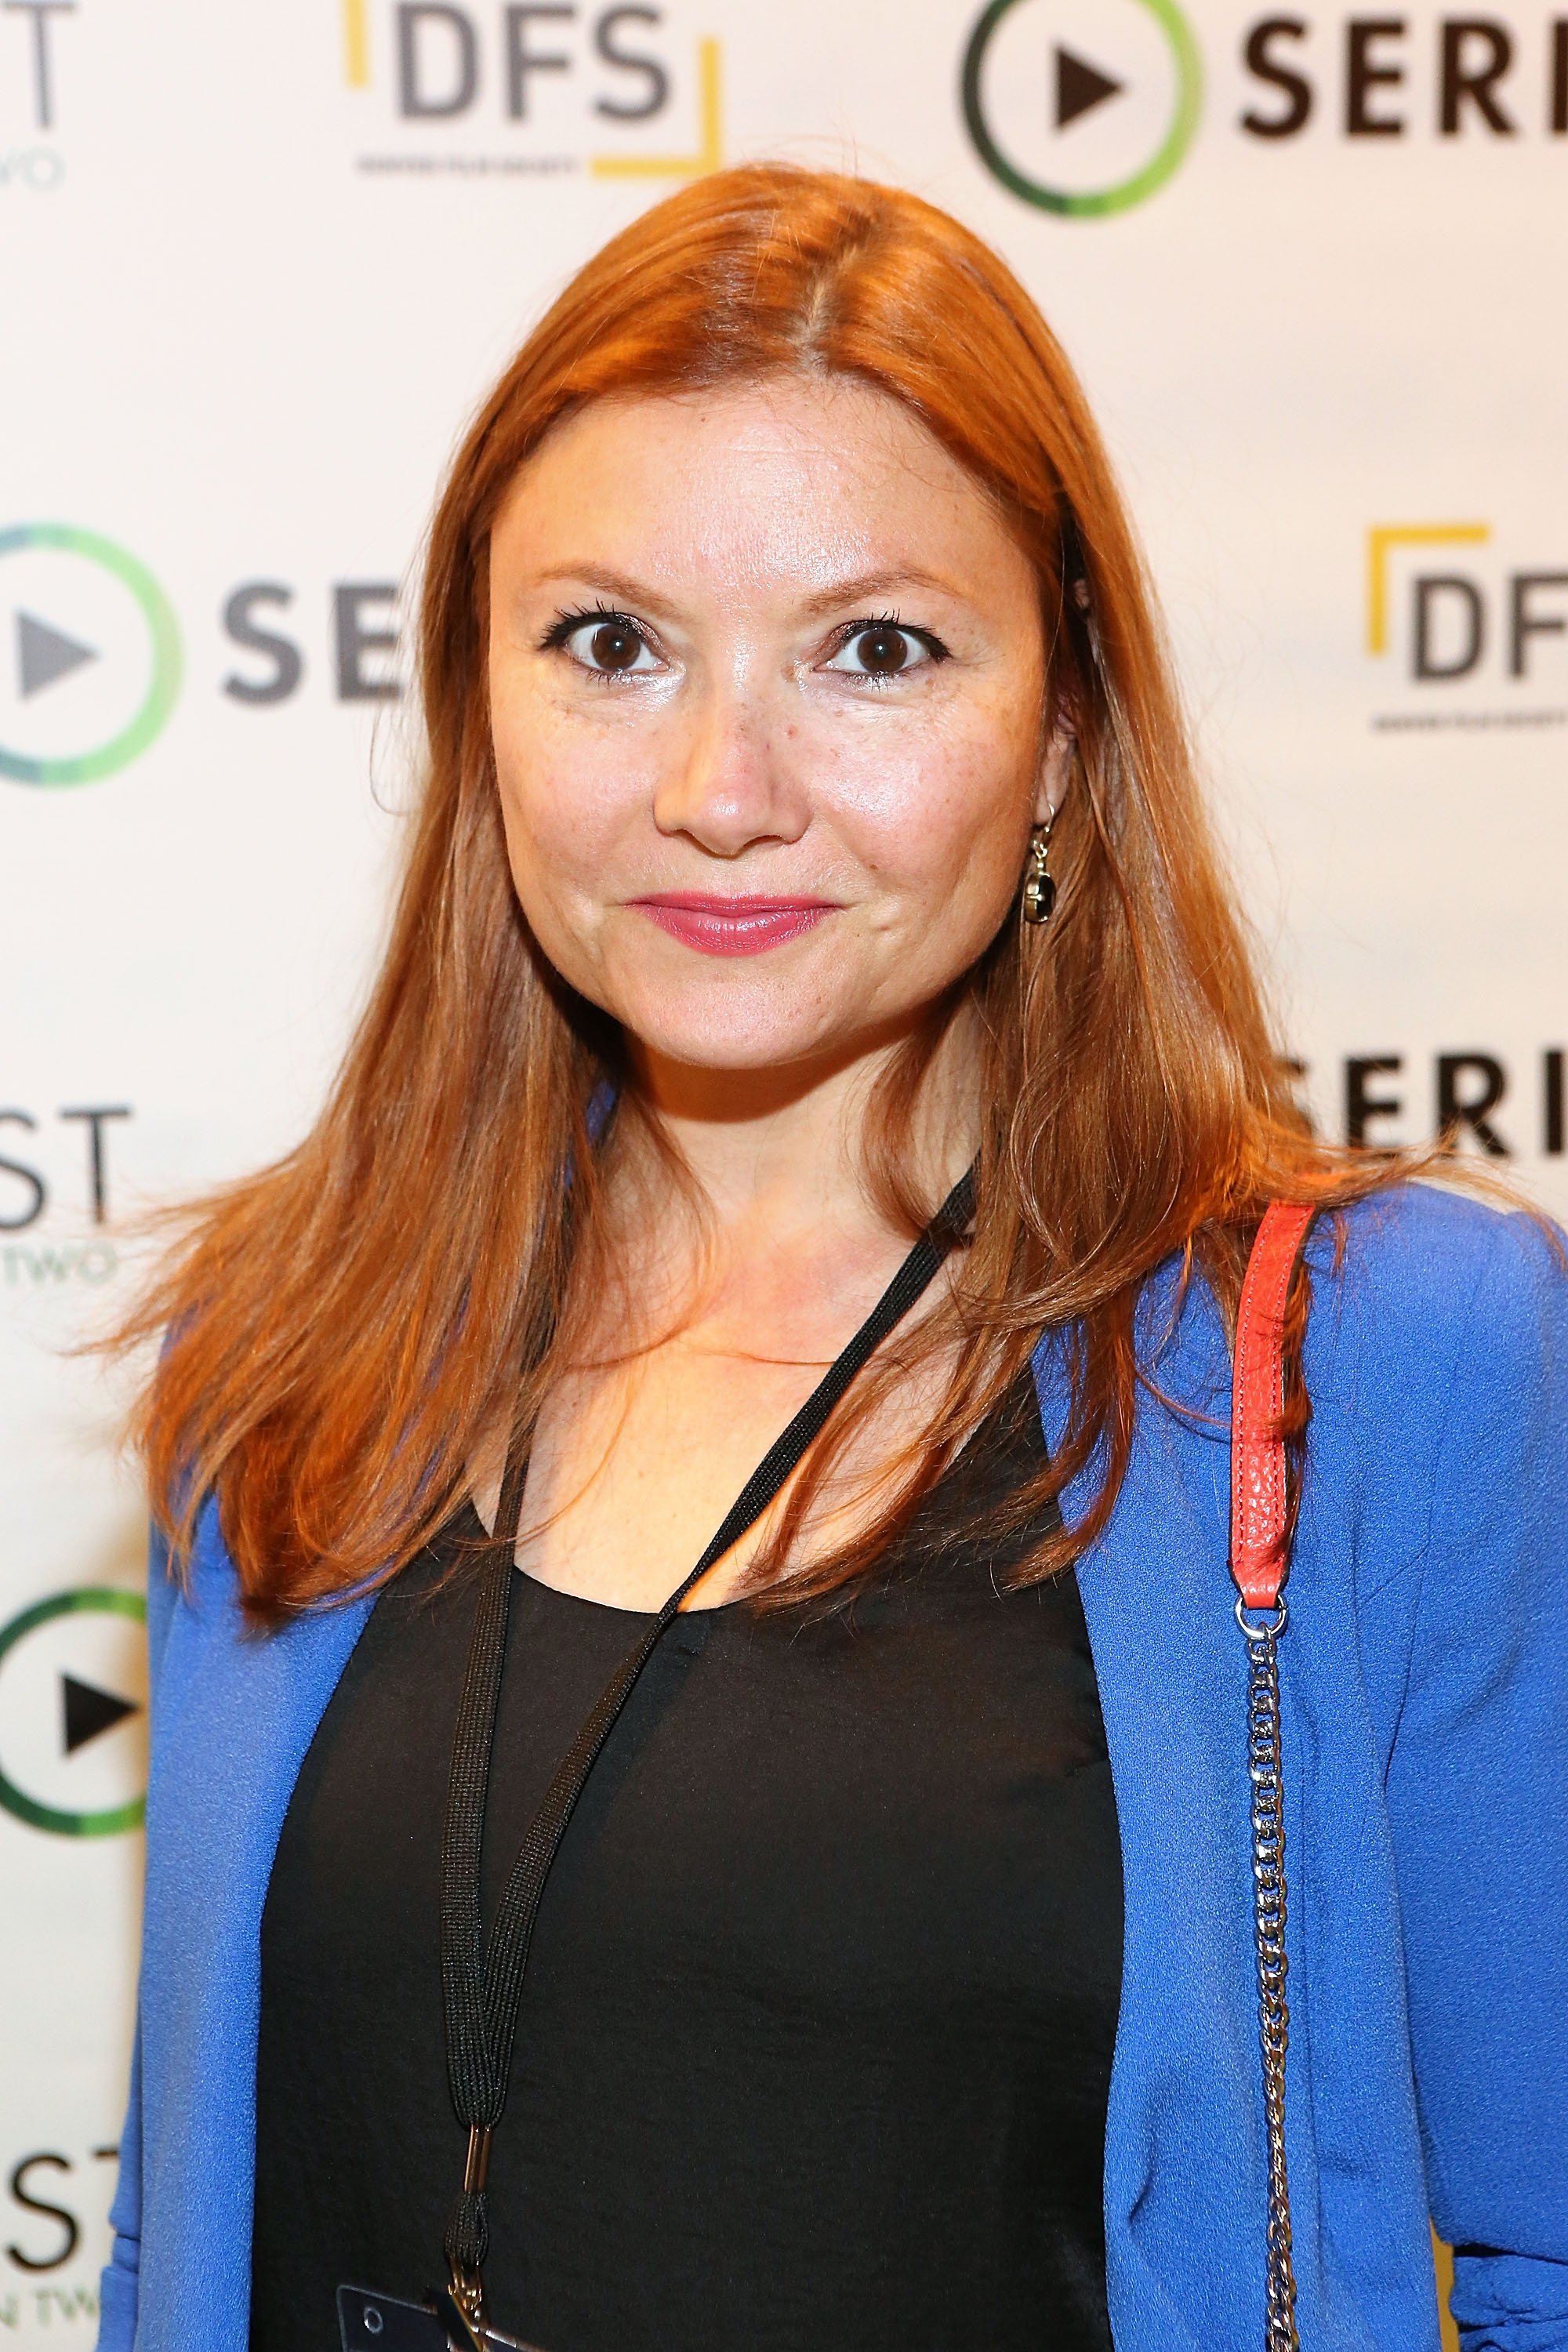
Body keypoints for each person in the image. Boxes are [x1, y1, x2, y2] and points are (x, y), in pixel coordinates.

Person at [96, 165, 1566, 2352]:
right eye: (611, 646)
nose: (721, 785)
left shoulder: (1387, 1363)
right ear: (477, 715)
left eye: (876, 650)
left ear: (1064, 723)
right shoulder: (294, 1351)